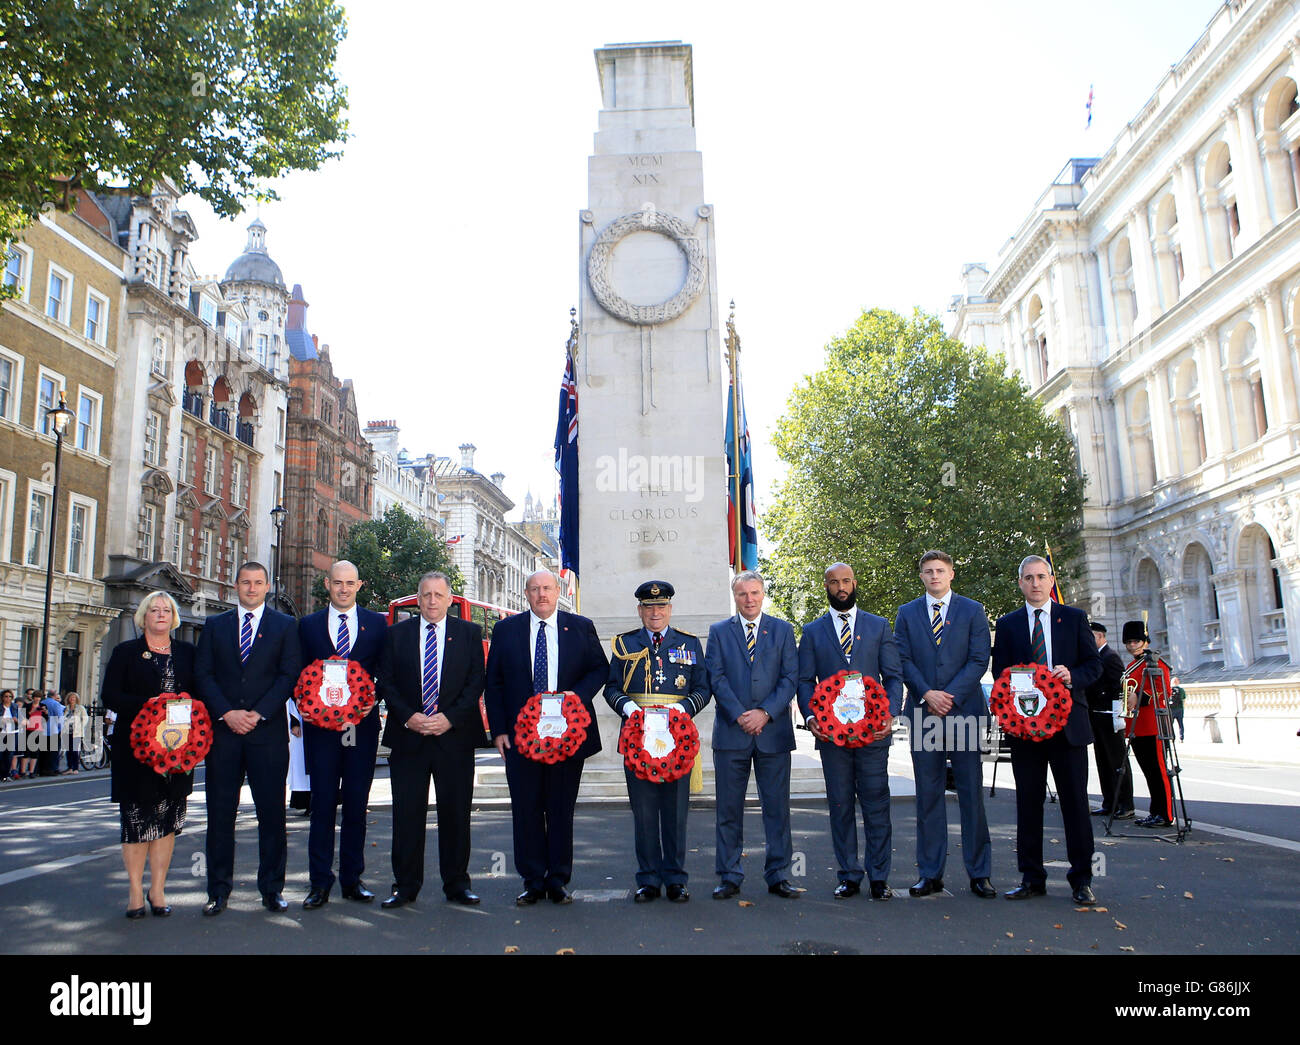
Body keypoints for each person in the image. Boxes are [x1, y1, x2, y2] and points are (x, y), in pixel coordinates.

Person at [485, 569, 608, 906]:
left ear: (558, 592)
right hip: (521, 739)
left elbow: (600, 669)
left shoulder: (580, 627)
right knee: (526, 809)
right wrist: (498, 731)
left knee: (560, 809)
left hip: (568, 736)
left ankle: (558, 880)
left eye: (547, 589)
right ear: (526, 594)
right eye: (535, 589)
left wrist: (575, 697)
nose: (541, 595)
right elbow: (493, 683)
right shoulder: (506, 630)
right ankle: (532, 880)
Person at [991, 555, 1102, 905]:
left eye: (1041, 576)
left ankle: (1081, 879)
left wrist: (1073, 676)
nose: (1035, 583)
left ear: (1051, 580)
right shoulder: (1008, 625)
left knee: (1075, 804)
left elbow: (1093, 665)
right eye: (1028, 578)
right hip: (1024, 729)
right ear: (1020, 583)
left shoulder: (1073, 618)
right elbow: (1000, 675)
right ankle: (1031, 877)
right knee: (1028, 803)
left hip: (1068, 727)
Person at [195, 561, 301, 915]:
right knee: (220, 815)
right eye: (245, 583)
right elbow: (204, 675)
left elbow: (288, 675)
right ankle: (218, 890)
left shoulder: (286, 627)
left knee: (272, 815)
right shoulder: (215, 626)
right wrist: (227, 712)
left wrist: (260, 713)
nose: (252, 589)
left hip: (267, 734)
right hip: (224, 735)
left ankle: (272, 889)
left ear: (267, 586)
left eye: (258, 583)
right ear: (235, 585)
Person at [377, 571, 485, 909]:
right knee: (407, 815)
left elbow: (475, 681)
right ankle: (405, 886)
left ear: (450, 599)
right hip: (409, 738)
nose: (432, 601)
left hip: (454, 738)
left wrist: (449, 718)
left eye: (439, 595)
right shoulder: (396, 635)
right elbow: (387, 682)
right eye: (426, 595)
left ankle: (457, 884)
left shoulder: (469, 634)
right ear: (418, 598)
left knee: (456, 815)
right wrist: (409, 716)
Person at [797, 562, 903, 900]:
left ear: (855, 583)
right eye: (833, 582)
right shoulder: (813, 632)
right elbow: (803, 680)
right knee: (840, 805)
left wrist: (892, 714)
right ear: (825, 587)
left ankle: (879, 877)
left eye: (845, 581)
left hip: (873, 736)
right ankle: (849, 875)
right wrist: (812, 717)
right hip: (832, 737)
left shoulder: (878, 626)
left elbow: (894, 676)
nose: (841, 587)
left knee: (876, 804)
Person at [893, 551, 995, 899]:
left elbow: (979, 658)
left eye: (940, 570)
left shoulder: (973, 610)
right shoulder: (906, 614)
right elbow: (901, 659)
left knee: (970, 794)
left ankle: (979, 873)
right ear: (921, 576)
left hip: (964, 711)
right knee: (928, 795)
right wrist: (927, 693)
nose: (934, 576)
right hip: (924, 713)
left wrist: (948, 695)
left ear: (951, 574)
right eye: (928, 571)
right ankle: (930, 873)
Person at [605, 580, 711, 903]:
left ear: (669, 609)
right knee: (645, 812)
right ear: (639, 610)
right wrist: (629, 709)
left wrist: (682, 709)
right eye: (649, 607)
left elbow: (703, 688)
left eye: (661, 606)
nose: (655, 612)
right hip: (637, 739)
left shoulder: (689, 644)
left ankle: (676, 879)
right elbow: (611, 688)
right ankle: (648, 879)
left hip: (676, 740)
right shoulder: (624, 644)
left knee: (676, 811)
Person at [297, 560, 388, 909]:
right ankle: (319, 883)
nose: (344, 589)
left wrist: (372, 699)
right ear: (327, 584)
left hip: (360, 729)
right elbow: (298, 672)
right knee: (321, 807)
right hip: (320, 731)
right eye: (338, 583)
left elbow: (385, 671)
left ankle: (352, 879)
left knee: (355, 806)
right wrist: (303, 704)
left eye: (350, 583)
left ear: (359, 585)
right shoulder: (307, 626)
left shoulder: (378, 625)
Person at [100, 591, 196, 918]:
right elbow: (110, 694)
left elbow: (198, 696)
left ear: (173, 616)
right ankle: (134, 893)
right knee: (136, 823)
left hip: (177, 751)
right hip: (136, 751)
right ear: (143, 616)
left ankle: (158, 890)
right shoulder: (126, 652)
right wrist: (149, 707)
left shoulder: (187, 653)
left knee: (167, 823)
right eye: (153, 610)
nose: (160, 614)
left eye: (165, 610)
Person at [707, 570, 799, 901]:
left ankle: (778, 874)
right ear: (735, 596)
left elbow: (790, 678)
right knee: (728, 809)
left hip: (773, 733)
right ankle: (729, 874)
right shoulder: (719, 632)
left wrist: (765, 713)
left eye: (755, 593)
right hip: (733, 733)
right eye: (743, 594)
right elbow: (716, 678)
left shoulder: (783, 630)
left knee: (777, 808)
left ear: (763, 594)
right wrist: (740, 715)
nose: (750, 599)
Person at [1121, 620, 1175, 828]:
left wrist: (1139, 697)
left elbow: (1163, 691)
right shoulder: (1131, 665)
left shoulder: (1155, 663)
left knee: (1159, 770)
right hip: (1137, 726)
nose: (1132, 645)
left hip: (1153, 725)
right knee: (1148, 772)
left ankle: (1166, 813)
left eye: (1136, 641)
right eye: (1129, 642)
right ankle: (1156, 811)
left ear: (1145, 641)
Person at [1086, 623, 1135, 820]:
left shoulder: (1110, 656)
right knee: (1103, 761)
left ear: (1099, 636)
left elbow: (1119, 686)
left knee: (1117, 761)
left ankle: (1125, 803)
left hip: (1109, 714)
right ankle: (1109, 802)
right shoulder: (1096, 657)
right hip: (1097, 714)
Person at [63, 692, 88, 773]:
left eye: (74, 698)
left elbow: (85, 719)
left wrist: (80, 727)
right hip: (67, 732)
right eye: (71, 698)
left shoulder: (81, 708)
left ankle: (75, 768)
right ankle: (70, 768)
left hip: (76, 732)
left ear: (76, 699)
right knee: (68, 751)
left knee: (74, 750)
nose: (72, 699)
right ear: (68, 699)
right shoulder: (66, 708)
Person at [1, 690, 19, 781]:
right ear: (2, 698)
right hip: (2, 733)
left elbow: (20, 720)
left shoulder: (14, 706)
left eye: (10, 697)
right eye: (6, 696)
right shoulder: (0, 707)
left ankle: (6, 775)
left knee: (9, 755)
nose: (8, 699)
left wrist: (16, 720)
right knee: (1, 755)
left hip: (12, 733)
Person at [1169, 676, 1186, 741]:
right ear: (1178, 682)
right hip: (1180, 709)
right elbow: (1184, 699)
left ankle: (1172, 737)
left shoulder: (1170, 689)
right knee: (1181, 724)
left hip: (1171, 709)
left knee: (1170, 724)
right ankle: (1181, 737)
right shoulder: (1181, 690)